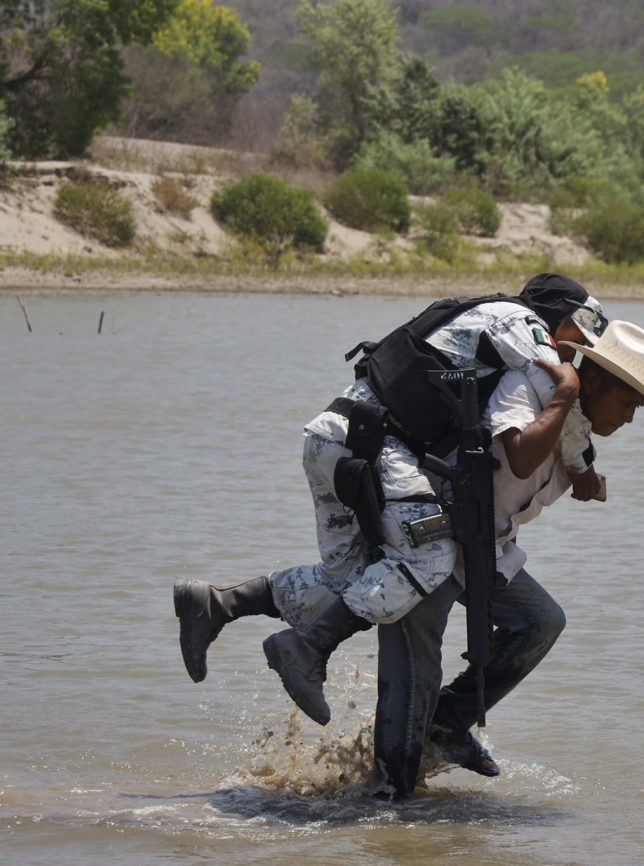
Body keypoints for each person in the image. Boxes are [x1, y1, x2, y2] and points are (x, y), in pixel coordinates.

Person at [173, 274, 606, 699]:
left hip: (333, 438)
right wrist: (584, 465)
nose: (578, 352)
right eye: (579, 336)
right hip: (378, 445)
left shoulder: (480, 311)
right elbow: (557, 395)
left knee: (353, 581)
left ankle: (219, 603)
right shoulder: (523, 322)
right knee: (431, 555)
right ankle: (307, 648)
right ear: (559, 316)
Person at [370, 318, 644, 798]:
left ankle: (445, 726)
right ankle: (389, 803)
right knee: (412, 675)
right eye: (627, 403)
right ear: (591, 380)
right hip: (431, 535)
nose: (630, 418)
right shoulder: (527, 388)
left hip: (480, 548)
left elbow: (565, 452)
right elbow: (517, 457)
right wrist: (563, 396)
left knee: (540, 622)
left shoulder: (578, 435)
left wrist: (583, 473)